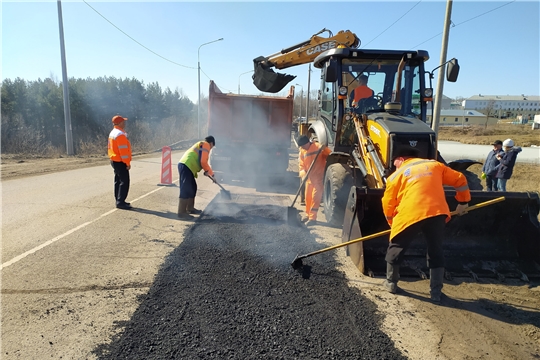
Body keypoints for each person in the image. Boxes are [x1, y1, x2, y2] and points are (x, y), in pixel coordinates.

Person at [381, 147, 471, 303]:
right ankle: (436, 292)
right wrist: (463, 202)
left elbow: (388, 202)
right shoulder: (436, 165)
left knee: (396, 246)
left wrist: (392, 223)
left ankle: (391, 283)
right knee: (435, 249)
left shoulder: (396, 175)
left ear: (401, 159)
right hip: (437, 213)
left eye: (395, 163)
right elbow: (460, 179)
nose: (395, 166)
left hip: (409, 213)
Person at [177, 136, 216, 219]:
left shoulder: (202, 145)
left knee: (192, 188)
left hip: (188, 167)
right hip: (186, 165)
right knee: (186, 188)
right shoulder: (206, 144)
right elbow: (203, 161)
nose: (211, 148)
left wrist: (206, 172)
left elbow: (200, 160)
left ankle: (190, 208)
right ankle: (181, 212)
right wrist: (212, 174)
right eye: (212, 147)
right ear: (211, 143)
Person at [297, 135, 331, 226]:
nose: (302, 147)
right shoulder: (302, 152)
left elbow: (329, 155)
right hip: (309, 179)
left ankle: (312, 218)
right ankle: (307, 215)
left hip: (319, 178)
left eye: (303, 146)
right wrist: (303, 175)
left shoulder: (317, 147)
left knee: (315, 198)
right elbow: (301, 166)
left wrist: (325, 149)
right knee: (307, 198)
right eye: (301, 146)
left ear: (307, 143)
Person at [108, 115, 133, 210]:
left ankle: (118, 199)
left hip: (114, 160)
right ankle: (120, 202)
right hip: (120, 161)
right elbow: (123, 151)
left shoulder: (113, 132)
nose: (125, 123)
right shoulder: (120, 134)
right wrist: (127, 163)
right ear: (120, 123)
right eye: (123, 121)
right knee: (124, 181)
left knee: (118, 181)